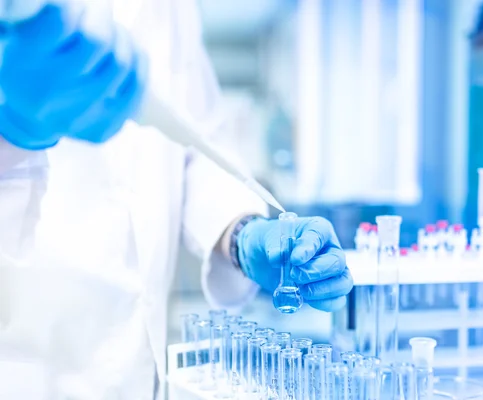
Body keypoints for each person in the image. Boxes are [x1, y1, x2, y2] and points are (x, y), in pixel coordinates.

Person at [0, 0, 353, 398]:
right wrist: (13, 131)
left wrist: (241, 234)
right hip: (21, 364)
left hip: (137, 371)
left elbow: (194, 139)